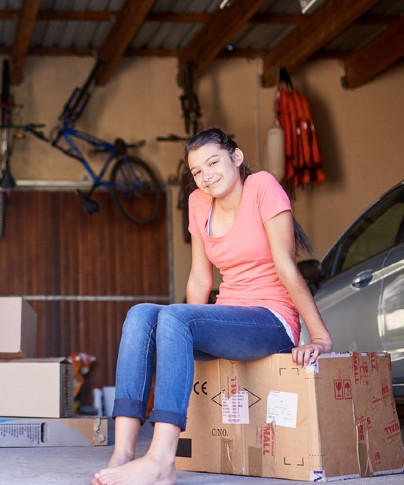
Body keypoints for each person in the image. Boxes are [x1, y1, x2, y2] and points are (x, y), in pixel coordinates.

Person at [93, 127, 333, 485]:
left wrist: (320, 336)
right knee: (140, 314)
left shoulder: (262, 186)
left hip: (270, 321)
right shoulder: (197, 203)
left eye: (213, 163)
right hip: (228, 321)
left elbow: (286, 267)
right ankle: (123, 453)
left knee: (175, 316)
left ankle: (161, 462)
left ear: (235, 158)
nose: (206, 176)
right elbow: (200, 279)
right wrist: (185, 332)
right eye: (196, 171)